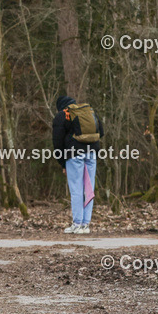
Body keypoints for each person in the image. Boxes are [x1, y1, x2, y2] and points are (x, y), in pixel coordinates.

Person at [52, 96, 104, 234]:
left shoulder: (62, 115)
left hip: (75, 155)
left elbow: (57, 143)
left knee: (76, 189)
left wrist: (62, 163)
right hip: (92, 152)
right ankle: (85, 225)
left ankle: (77, 223)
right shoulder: (88, 112)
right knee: (89, 188)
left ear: (61, 107)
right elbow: (101, 132)